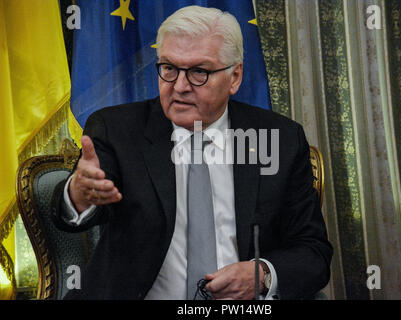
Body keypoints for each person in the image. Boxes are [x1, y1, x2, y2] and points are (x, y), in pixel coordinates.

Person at [52, 6, 333, 300]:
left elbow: (313, 252)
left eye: (199, 71)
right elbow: (77, 207)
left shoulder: (279, 139)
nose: (180, 86)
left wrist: (261, 275)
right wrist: (79, 196)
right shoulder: (117, 129)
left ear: (235, 77)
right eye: (169, 68)